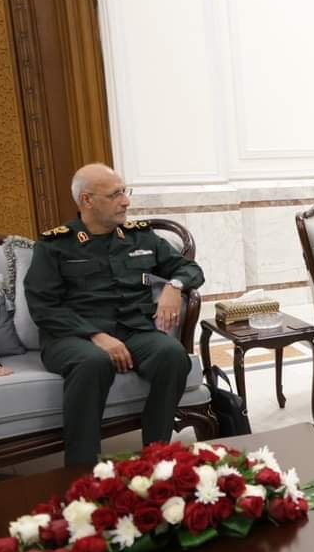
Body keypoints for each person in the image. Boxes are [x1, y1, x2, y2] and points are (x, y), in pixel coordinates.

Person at [24, 163, 204, 465]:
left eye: (124, 191)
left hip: (132, 330)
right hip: (71, 337)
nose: (126, 201)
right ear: (87, 200)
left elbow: (190, 269)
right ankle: (82, 469)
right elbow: (43, 306)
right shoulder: (55, 246)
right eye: (115, 195)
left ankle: (157, 457)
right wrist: (95, 336)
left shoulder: (141, 237)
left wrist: (174, 286)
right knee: (93, 361)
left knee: (172, 355)